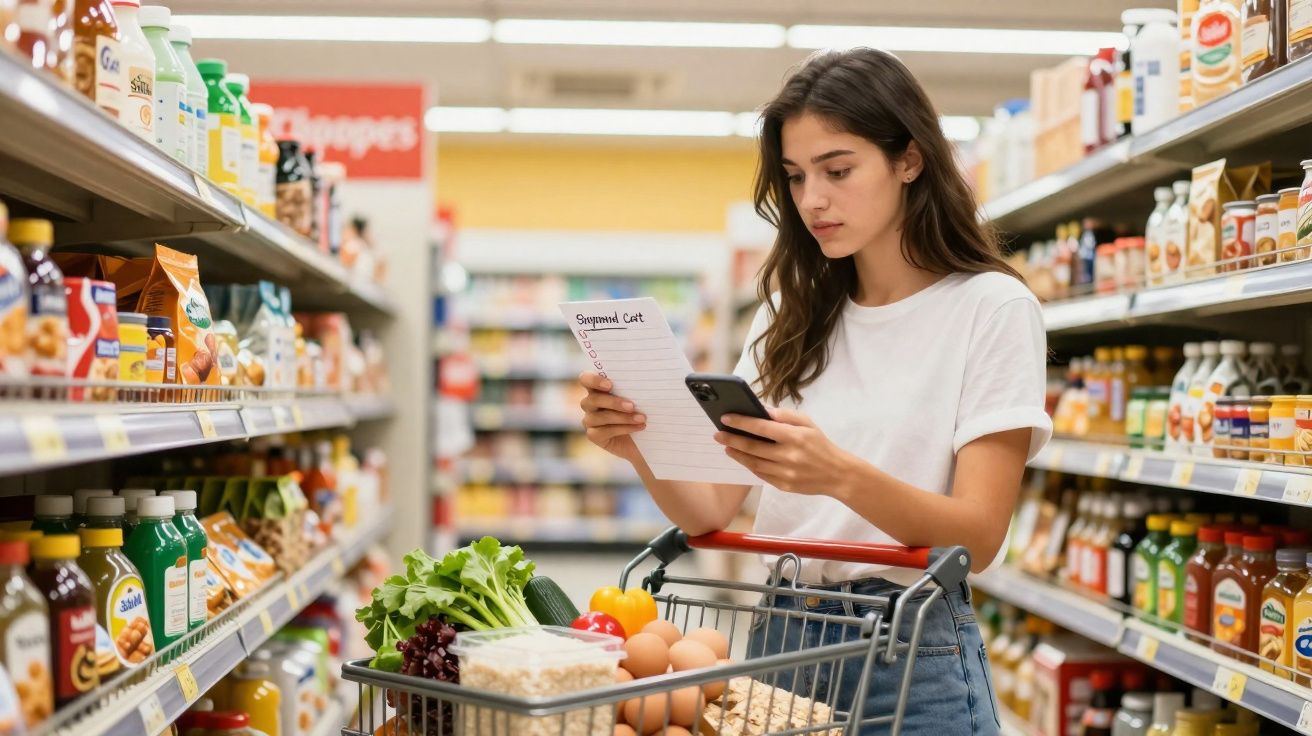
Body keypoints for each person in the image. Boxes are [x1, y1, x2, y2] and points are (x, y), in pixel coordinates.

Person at [577, 47, 1050, 735]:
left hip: (909, 652)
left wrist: (839, 477)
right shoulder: (788, 313)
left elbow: (977, 536)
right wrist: (636, 440)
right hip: (781, 639)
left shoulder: (991, 308)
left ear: (909, 160)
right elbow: (710, 511)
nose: (812, 201)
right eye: (796, 178)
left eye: (838, 169)